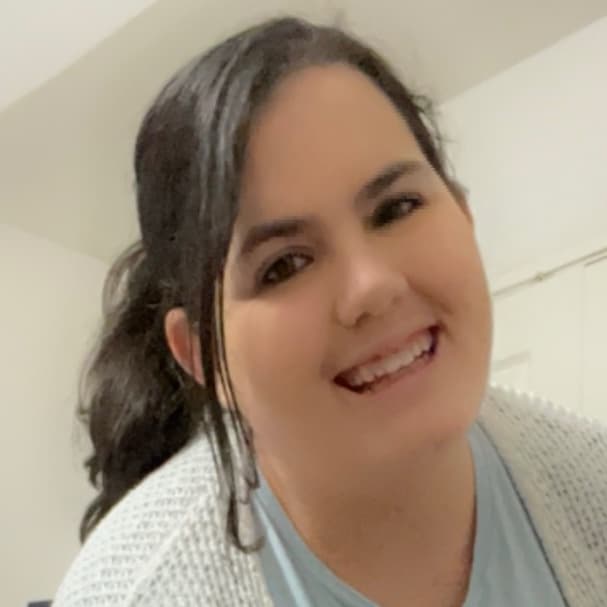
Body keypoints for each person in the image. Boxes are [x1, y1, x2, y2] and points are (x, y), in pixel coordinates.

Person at [53, 16, 606, 607]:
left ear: (463, 215)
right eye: (284, 265)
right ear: (202, 358)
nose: (371, 287)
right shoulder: (129, 593)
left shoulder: (592, 486)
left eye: (396, 208)